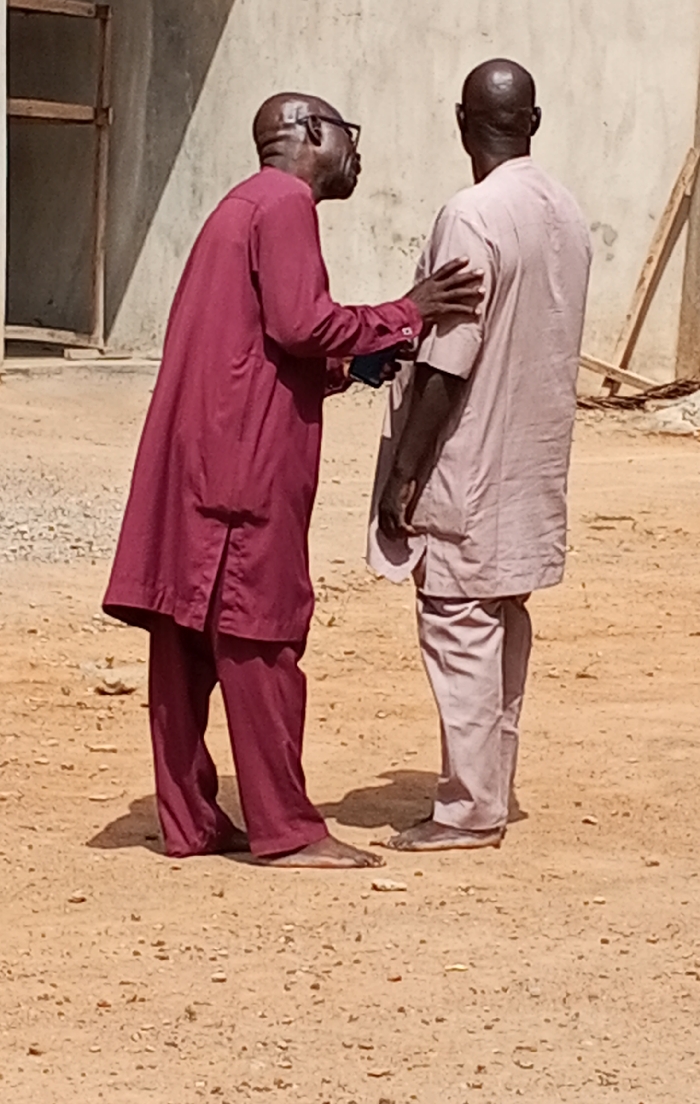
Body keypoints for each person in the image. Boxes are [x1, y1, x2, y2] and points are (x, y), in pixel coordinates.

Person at [103, 91, 483, 869]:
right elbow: (300, 323)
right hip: (245, 469)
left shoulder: (237, 208)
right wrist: (404, 312)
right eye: (348, 135)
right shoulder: (283, 204)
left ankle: (191, 822)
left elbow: (259, 345)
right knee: (261, 637)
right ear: (312, 131)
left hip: (199, 455)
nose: (356, 153)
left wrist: (350, 362)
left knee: (186, 642)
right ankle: (288, 830)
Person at [367, 60, 591, 851]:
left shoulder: (470, 215)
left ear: (462, 122)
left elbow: (446, 362)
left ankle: (468, 809)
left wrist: (404, 472)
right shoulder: (566, 210)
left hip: (470, 457)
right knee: (502, 617)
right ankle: (488, 790)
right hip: (532, 457)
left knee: (458, 619)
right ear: (535, 122)